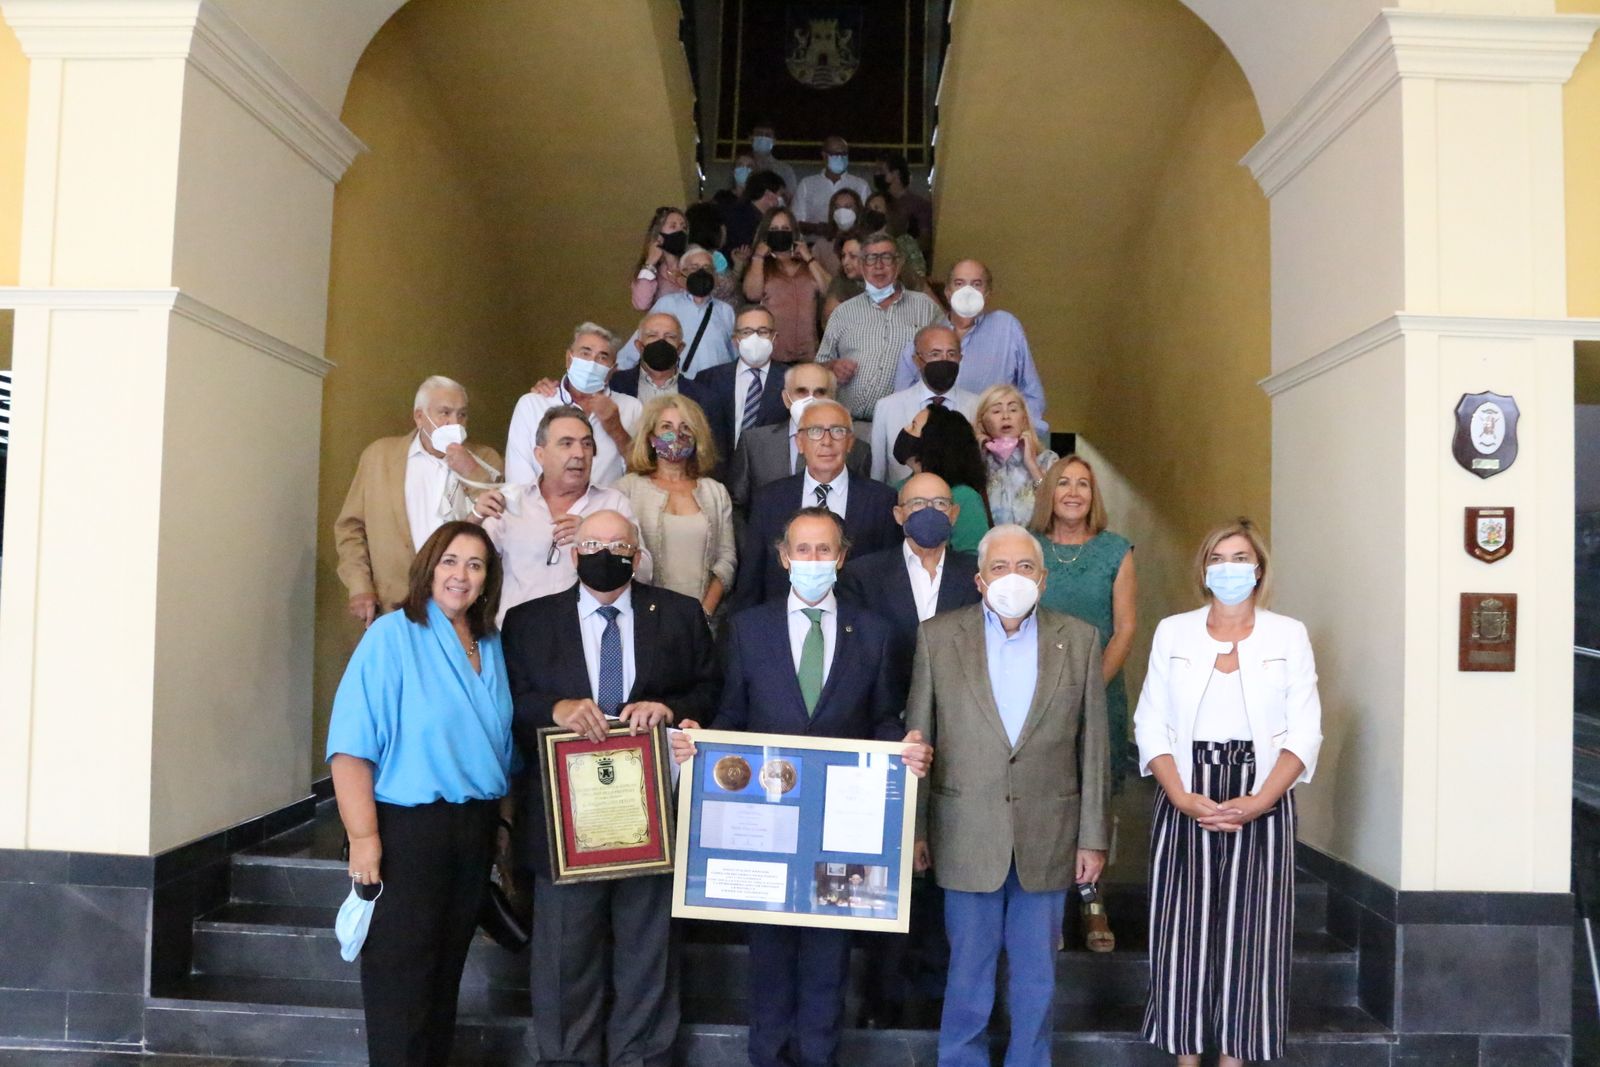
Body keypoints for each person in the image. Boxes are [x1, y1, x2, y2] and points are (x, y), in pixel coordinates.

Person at [670, 506, 931, 1067]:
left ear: (842, 557)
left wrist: (903, 747)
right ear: (784, 558)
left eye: (825, 550)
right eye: (803, 551)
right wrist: (702, 741)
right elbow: (731, 717)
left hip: (841, 830)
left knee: (827, 959)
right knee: (767, 957)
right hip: (765, 824)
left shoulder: (877, 633)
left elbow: (883, 718)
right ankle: (765, 1058)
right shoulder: (748, 628)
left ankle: (818, 1057)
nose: (813, 561)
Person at [503, 510, 720, 1067]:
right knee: (563, 957)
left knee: (648, 954)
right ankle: (566, 1059)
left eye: (620, 544)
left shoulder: (679, 614)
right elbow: (508, 704)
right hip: (562, 820)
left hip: (648, 817)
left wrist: (670, 708)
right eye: (594, 542)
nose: (607, 552)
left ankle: (641, 1057)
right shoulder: (528, 621)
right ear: (575, 553)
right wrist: (555, 707)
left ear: (637, 554)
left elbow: (710, 691)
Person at [905, 524, 1110, 1067]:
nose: (1012, 578)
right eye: (999, 567)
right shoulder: (937, 638)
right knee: (966, 970)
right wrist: (918, 830)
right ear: (978, 579)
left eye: (1024, 568)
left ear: (1043, 581)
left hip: (1050, 833)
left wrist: (1093, 837)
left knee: (1037, 975)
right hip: (964, 830)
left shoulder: (1082, 639)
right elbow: (921, 738)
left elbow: (1094, 747)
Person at [1133, 519, 1322, 1067]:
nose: (1229, 567)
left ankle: (1236, 1057)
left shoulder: (1288, 634)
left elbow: (1305, 729)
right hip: (1185, 791)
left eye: (1240, 558)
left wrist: (1261, 800)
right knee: (1180, 933)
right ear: (1204, 569)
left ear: (1258, 569)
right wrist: (1182, 795)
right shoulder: (1174, 631)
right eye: (1219, 557)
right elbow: (1151, 722)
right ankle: (1186, 1057)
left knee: (1251, 939)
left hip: (1262, 793)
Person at [327, 521, 516, 1067]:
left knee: (443, 978)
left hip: (473, 831)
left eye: (476, 565)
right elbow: (351, 748)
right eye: (450, 561)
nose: (461, 575)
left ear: (488, 579)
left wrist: (500, 832)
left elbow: (503, 749)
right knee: (400, 981)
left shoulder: (492, 645)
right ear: (429, 568)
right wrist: (364, 840)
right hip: (409, 831)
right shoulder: (393, 635)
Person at [1027, 453, 1136, 952]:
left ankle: (1093, 901)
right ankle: (1047, 904)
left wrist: (1088, 691)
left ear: (1095, 496)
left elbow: (1125, 627)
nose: (1073, 492)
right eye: (1064, 483)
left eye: (1084, 485)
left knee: (1094, 797)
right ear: (1048, 490)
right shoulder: (1028, 548)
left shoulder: (1117, 550)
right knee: (1044, 795)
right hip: (1033, 698)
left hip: (1099, 694)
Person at [335, 376, 506, 627]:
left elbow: (500, 520)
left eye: (462, 415)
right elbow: (351, 528)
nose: (454, 423)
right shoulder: (379, 457)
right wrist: (359, 585)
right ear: (419, 417)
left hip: (460, 604)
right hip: (392, 603)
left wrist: (470, 471)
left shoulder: (485, 458)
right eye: (444, 413)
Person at [484, 406, 651, 622]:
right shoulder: (510, 503)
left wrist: (598, 542)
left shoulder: (614, 503)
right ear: (540, 454)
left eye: (587, 444)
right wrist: (474, 517)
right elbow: (475, 564)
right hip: (519, 638)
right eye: (566, 444)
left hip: (590, 640)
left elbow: (645, 572)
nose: (579, 454)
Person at [733, 398, 899, 609]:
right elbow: (752, 580)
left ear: (850, 442)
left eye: (837, 431)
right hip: (781, 626)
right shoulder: (769, 499)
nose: (826, 442)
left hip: (858, 629)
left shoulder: (881, 500)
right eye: (815, 431)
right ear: (799, 443)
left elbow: (889, 577)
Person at [893, 260, 1049, 436]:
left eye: (977, 284)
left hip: (996, 443)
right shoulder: (925, 340)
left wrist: (1021, 437)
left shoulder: (1007, 328)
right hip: (939, 443)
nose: (968, 291)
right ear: (947, 292)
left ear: (988, 293)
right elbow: (902, 403)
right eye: (959, 283)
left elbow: (1032, 394)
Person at [615, 394, 735, 616]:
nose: (677, 435)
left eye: (686, 428)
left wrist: (704, 613)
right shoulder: (626, 490)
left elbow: (726, 559)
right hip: (643, 617)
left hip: (703, 617)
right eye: (666, 426)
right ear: (651, 437)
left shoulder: (715, 492)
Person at [817, 232, 943, 421]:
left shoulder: (926, 307)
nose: (878, 266)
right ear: (862, 266)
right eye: (870, 259)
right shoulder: (843, 312)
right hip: (849, 423)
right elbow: (818, 366)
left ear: (899, 264)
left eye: (886, 257)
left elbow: (948, 357)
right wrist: (832, 367)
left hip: (904, 423)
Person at [506, 323, 641, 489]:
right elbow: (518, 477)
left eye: (602, 357)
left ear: (613, 370)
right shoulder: (533, 404)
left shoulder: (631, 407)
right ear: (569, 359)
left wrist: (616, 428)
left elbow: (642, 473)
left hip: (607, 511)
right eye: (585, 353)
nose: (592, 363)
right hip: (541, 511)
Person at [725, 364, 870, 516]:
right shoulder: (754, 443)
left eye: (820, 392)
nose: (810, 399)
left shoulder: (858, 450)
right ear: (786, 399)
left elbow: (862, 506)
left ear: (833, 399)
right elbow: (737, 508)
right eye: (801, 391)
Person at [871, 325, 981, 484]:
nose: (944, 360)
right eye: (935, 354)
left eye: (951, 354)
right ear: (917, 360)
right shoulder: (887, 407)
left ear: (960, 358)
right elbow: (877, 474)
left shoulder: (978, 406)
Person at [616, 246, 737, 380]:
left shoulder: (726, 311)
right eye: (694, 268)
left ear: (714, 275)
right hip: (678, 386)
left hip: (715, 387)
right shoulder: (667, 304)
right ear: (682, 274)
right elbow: (640, 341)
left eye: (707, 268)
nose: (701, 273)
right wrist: (617, 372)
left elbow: (735, 354)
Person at [695, 305, 789, 468]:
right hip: (718, 471)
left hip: (771, 473)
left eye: (763, 331)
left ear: (775, 337)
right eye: (746, 332)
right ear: (735, 340)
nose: (755, 338)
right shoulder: (708, 379)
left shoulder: (792, 379)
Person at [892, 405, 992, 554]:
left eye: (914, 426)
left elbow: (972, 558)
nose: (905, 429)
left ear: (933, 441)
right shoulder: (896, 488)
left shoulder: (964, 497)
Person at [742, 207, 829, 364]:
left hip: (809, 354)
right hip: (774, 356)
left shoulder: (807, 264)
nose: (780, 232)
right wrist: (758, 257)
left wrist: (808, 257)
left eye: (785, 228)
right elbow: (752, 294)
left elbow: (828, 290)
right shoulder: (761, 265)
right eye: (774, 229)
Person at [974, 384, 1057, 527]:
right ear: (982, 423)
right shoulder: (976, 463)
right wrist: (977, 459)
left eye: (1013, 410)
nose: (1006, 416)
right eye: (996, 411)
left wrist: (1032, 465)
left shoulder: (1047, 460)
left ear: (1024, 419)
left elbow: (1057, 508)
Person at [609, 311, 713, 411]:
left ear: (680, 348)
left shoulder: (701, 396)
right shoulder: (613, 384)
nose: (661, 341)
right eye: (652, 336)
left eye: (670, 337)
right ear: (640, 346)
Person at [794, 134, 871, 237]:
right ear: (824, 156)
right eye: (835, 154)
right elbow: (796, 221)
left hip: (851, 245)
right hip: (814, 245)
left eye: (843, 153)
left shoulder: (861, 185)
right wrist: (818, 229)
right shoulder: (807, 184)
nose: (840, 157)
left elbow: (867, 221)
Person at [875, 153, 933, 261]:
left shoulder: (919, 205)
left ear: (895, 174)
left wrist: (900, 253)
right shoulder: (877, 202)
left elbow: (925, 240)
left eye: (881, 171)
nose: (876, 174)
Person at [631, 206, 688, 311]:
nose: (680, 231)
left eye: (683, 227)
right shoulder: (651, 272)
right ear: (659, 236)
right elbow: (641, 304)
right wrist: (650, 263)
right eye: (673, 226)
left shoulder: (692, 264)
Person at [722, 170, 787, 259]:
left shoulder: (740, 211)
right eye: (781, 195)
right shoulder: (742, 219)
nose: (782, 200)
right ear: (768, 194)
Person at [810, 187, 864, 278]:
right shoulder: (822, 245)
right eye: (837, 207)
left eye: (848, 207)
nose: (842, 212)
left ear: (858, 210)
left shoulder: (869, 242)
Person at [821, 234, 864, 324]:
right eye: (843, 256)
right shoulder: (840, 282)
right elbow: (831, 321)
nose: (845, 262)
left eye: (852, 256)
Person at [748, 120, 798, 195]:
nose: (763, 138)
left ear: (774, 141)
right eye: (759, 134)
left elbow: (791, 197)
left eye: (767, 135)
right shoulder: (741, 167)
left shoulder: (785, 169)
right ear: (751, 139)